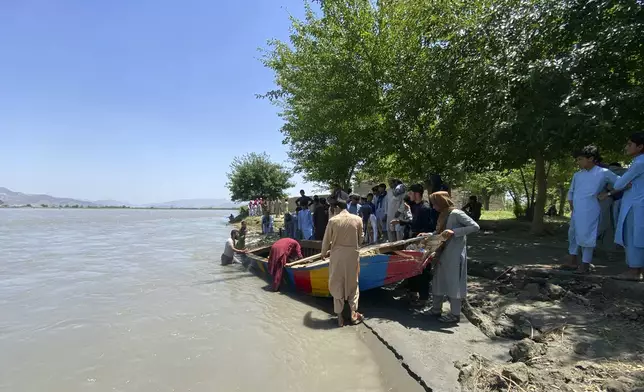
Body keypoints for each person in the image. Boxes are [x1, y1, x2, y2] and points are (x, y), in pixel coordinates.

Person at [424, 191, 480, 323]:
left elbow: (475, 227)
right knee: (438, 280)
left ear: (442, 202)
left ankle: (455, 314)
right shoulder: (443, 215)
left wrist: (455, 232)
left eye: (435, 204)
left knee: (454, 282)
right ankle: (436, 309)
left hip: (454, 254)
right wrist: (427, 234)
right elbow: (440, 233)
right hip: (442, 253)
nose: (433, 207)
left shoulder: (456, 213)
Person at [564, 145, 618, 273]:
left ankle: (585, 264)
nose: (578, 162)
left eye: (580, 159)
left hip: (591, 208)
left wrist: (608, 194)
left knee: (587, 234)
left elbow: (623, 183)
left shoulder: (603, 173)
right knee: (572, 233)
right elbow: (571, 191)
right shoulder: (577, 175)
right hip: (577, 209)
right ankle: (572, 261)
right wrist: (572, 207)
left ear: (591, 158)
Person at [603, 133, 644, 281]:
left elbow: (619, 184)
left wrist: (625, 183)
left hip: (635, 206)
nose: (626, 147)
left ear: (640, 147)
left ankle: (633, 271)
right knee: (640, 237)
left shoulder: (639, 162)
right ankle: (639, 270)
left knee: (632, 237)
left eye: (629, 144)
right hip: (639, 203)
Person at [321, 199, 364, 327]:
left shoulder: (333, 221)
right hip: (352, 255)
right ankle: (353, 313)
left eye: (333, 208)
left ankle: (339, 317)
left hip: (337, 256)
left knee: (337, 282)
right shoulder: (357, 219)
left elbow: (326, 240)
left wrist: (323, 253)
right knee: (353, 283)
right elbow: (360, 239)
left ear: (337, 208)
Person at [395, 183, 435, 305]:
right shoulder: (415, 206)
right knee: (411, 266)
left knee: (423, 269)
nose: (409, 195)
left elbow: (429, 227)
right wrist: (402, 222)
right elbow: (413, 222)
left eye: (411, 193)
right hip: (414, 240)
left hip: (422, 243)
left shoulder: (425, 208)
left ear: (417, 194)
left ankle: (423, 297)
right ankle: (412, 291)